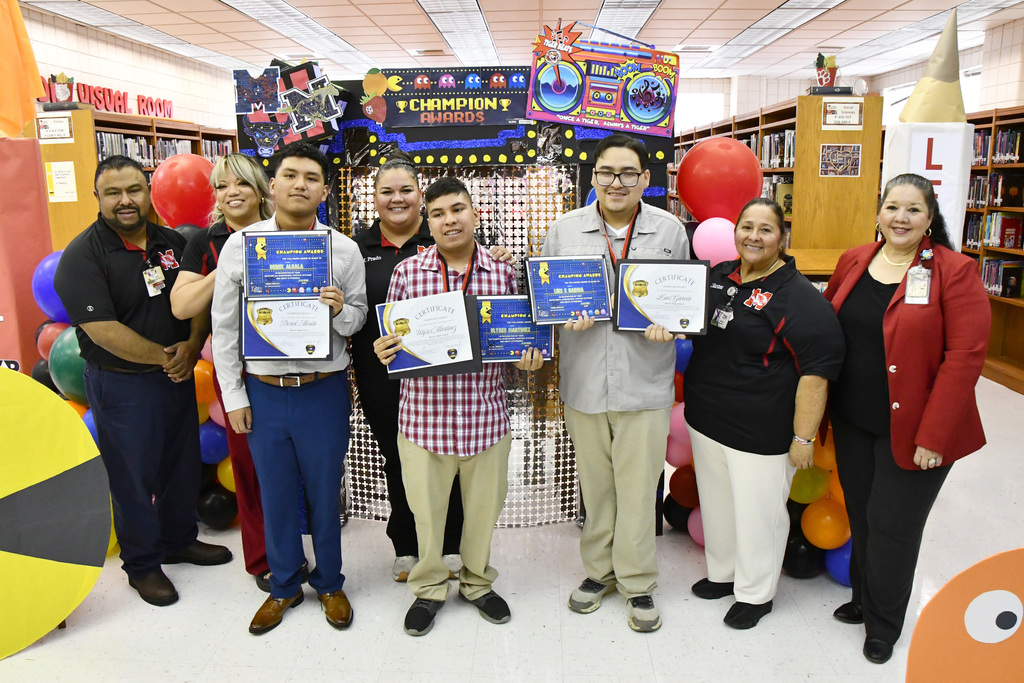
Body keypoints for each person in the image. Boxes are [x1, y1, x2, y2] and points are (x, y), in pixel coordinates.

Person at [822, 173, 990, 663]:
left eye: (913, 209)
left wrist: (935, 435)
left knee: (893, 525)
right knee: (862, 516)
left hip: (920, 430)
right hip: (855, 418)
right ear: (878, 212)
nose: (901, 217)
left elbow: (965, 358)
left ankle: (884, 624)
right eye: (892, 207)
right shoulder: (855, 259)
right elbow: (831, 330)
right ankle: (863, 599)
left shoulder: (954, 272)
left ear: (930, 218)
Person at [54, 155, 232, 607]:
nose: (125, 201)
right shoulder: (82, 256)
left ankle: (178, 539)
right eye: (113, 193)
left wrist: (191, 347)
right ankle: (142, 563)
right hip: (123, 384)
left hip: (176, 375)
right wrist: (163, 358)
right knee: (132, 476)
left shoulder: (170, 242)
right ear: (98, 198)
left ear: (148, 191)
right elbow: (102, 330)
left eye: (134, 189)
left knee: (180, 463)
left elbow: (194, 299)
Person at [373, 177, 543, 636]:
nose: (450, 220)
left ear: (475, 213)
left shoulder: (503, 272)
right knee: (426, 516)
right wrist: (386, 349)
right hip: (424, 421)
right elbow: (393, 338)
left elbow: (517, 341)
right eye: (439, 213)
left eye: (458, 209)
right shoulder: (408, 273)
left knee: (483, 513)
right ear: (428, 222)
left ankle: (476, 581)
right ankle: (429, 589)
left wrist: (528, 358)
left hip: (486, 418)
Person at [211, 142, 367, 635]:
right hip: (264, 391)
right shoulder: (242, 245)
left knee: (324, 489)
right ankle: (282, 586)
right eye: (290, 176)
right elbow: (225, 326)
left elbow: (359, 320)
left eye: (311, 178)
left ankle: (329, 582)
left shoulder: (343, 249)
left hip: (322, 389)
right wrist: (233, 396)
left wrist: (340, 309)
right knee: (274, 492)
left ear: (324, 190)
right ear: (271, 186)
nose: (300, 185)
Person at [541, 133, 689, 632]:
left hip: (643, 383)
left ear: (646, 179)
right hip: (584, 383)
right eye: (606, 173)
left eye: (628, 174)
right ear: (593, 176)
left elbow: (681, 302)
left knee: (638, 486)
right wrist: (562, 318)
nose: (616, 183)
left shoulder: (669, 232)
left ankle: (639, 582)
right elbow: (545, 301)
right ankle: (598, 573)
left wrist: (672, 321)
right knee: (598, 486)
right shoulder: (563, 231)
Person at [682, 198, 845, 630]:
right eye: (746, 226)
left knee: (760, 514)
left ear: (782, 238)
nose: (754, 236)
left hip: (760, 428)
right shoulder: (718, 277)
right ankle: (724, 573)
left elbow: (816, 375)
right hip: (706, 418)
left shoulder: (798, 297)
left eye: (766, 229)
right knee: (718, 505)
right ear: (735, 231)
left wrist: (803, 438)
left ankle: (756, 594)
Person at [350, 155, 465, 583]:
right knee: (396, 460)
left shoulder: (441, 236)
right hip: (379, 376)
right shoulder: (354, 248)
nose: (397, 198)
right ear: (374, 197)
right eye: (387, 191)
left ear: (421, 196)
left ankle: (451, 543)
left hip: (438, 378)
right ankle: (406, 544)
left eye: (406, 190)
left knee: (445, 457)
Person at [169, 153, 279, 592]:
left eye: (241, 184)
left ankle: (290, 549)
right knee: (249, 469)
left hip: (290, 365)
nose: (231, 193)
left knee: (286, 468)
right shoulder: (205, 242)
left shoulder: (287, 231)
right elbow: (181, 305)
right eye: (221, 186)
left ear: (261, 190)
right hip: (234, 370)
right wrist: (231, 263)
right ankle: (262, 560)